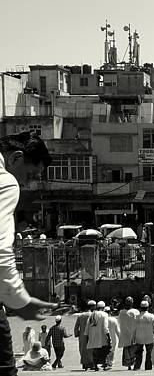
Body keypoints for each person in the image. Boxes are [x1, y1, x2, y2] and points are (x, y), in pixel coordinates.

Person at [0, 132, 55, 375]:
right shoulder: (5, 181)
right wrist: (20, 302)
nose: (25, 183)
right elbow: (0, 250)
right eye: (30, 175)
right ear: (16, 159)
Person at [133, 300, 154, 371]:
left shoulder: (136, 317)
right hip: (149, 338)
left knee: (138, 353)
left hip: (139, 338)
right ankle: (148, 368)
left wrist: (133, 338)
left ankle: (137, 367)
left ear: (140, 308)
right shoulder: (151, 316)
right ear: (148, 308)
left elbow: (133, 329)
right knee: (149, 353)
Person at [85, 301, 111, 371]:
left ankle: (96, 366)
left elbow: (87, 327)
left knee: (95, 352)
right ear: (103, 307)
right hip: (101, 336)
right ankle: (105, 365)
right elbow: (105, 327)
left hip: (92, 336)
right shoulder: (104, 314)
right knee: (104, 351)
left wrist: (87, 336)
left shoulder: (92, 315)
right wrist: (108, 336)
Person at [118, 296, 139, 370]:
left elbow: (119, 322)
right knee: (133, 349)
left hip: (125, 333)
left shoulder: (121, 312)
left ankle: (128, 365)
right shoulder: (135, 311)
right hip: (133, 333)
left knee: (126, 349)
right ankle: (133, 364)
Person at [75, 300, 95, 370]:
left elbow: (76, 327)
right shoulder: (93, 315)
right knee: (91, 349)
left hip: (82, 336)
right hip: (91, 335)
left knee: (83, 349)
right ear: (92, 307)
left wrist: (77, 334)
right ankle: (92, 364)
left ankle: (85, 364)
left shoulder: (80, 316)